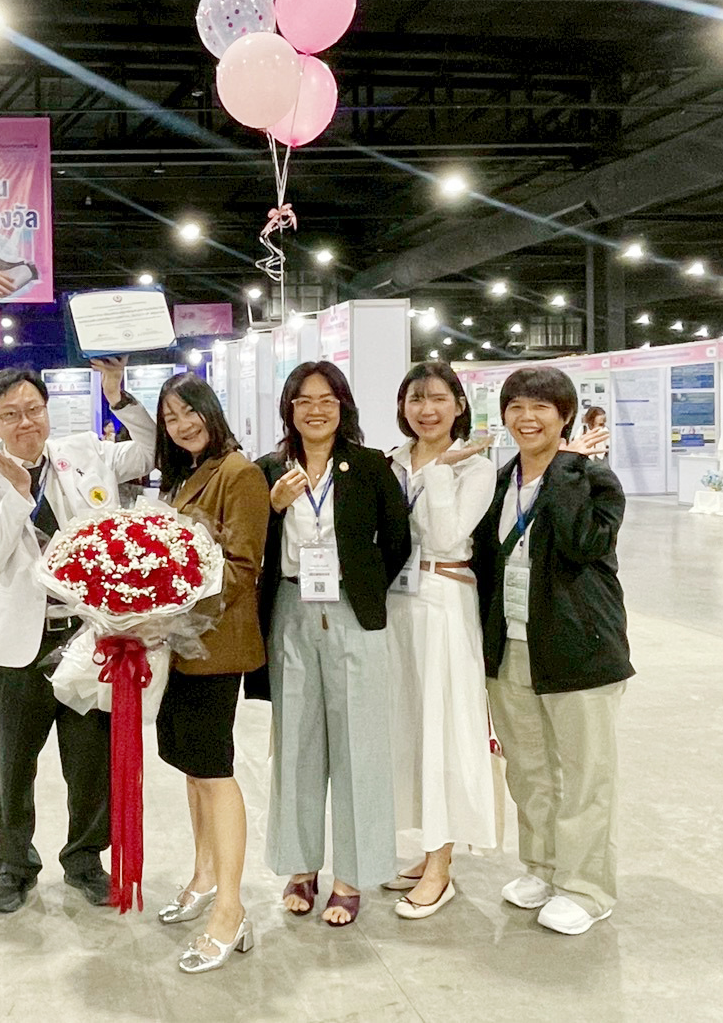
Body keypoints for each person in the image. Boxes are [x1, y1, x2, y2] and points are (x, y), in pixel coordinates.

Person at [0, 358, 156, 913]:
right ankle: (15, 866)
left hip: (89, 638)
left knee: (90, 763)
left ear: (48, 410)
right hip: (22, 644)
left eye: (33, 409)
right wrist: (18, 494)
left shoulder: (83, 451)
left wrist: (118, 395)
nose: (26, 422)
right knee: (13, 766)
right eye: (11, 414)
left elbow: (147, 451)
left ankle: (85, 859)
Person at [471, 366, 630, 936]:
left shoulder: (593, 479)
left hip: (578, 647)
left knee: (585, 774)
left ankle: (587, 888)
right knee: (529, 770)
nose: (527, 417)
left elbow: (583, 542)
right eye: (516, 406)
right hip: (513, 646)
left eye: (542, 407)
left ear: (565, 417)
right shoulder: (498, 481)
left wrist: (563, 468)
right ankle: (542, 868)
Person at [256, 362, 411, 927]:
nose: (315, 410)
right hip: (290, 608)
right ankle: (301, 866)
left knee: (357, 745)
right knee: (295, 741)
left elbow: (397, 539)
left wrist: (362, 583)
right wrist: (272, 506)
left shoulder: (369, 467)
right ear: (289, 409)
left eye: (326, 399)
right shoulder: (269, 469)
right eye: (304, 401)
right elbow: (248, 540)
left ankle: (352, 874)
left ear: (342, 406)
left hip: (351, 610)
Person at [152, 373, 269, 973]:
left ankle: (231, 909)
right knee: (191, 766)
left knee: (214, 770)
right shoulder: (187, 475)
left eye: (189, 412)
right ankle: (203, 876)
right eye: (170, 418)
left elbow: (242, 567)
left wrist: (170, 599)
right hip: (179, 646)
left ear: (210, 411)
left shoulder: (239, 474)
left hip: (215, 646)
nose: (182, 425)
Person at [384, 363, 498, 919]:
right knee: (408, 726)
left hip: (445, 601)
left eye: (437, 399)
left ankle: (441, 863)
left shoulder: (476, 466)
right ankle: (426, 845)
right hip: (395, 604)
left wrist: (440, 473)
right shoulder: (391, 462)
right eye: (415, 399)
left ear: (459, 404)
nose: (426, 410)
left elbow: (450, 536)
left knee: (444, 728)